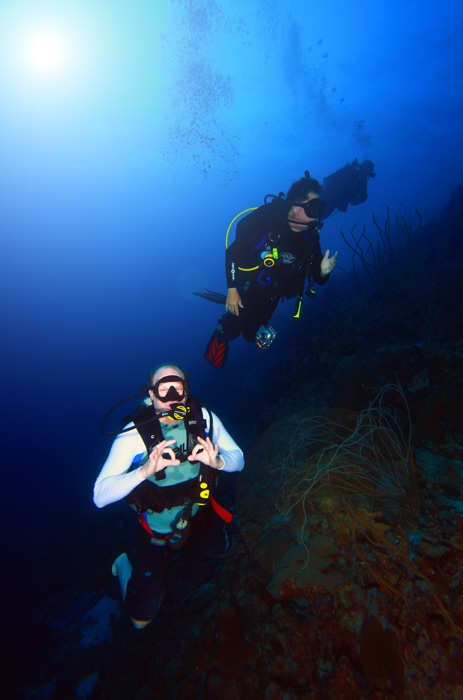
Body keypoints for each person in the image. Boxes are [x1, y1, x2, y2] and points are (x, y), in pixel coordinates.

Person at [93, 363, 244, 629]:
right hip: (155, 529)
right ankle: (121, 562)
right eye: (164, 389)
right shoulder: (133, 433)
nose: (172, 398)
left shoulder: (204, 418)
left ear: (187, 392)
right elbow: (100, 496)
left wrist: (218, 461)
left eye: (178, 388)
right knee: (140, 619)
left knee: (222, 550)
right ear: (151, 395)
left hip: (196, 513)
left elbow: (239, 459)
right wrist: (143, 471)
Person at [204, 175, 338, 368]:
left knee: (251, 336)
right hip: (249, 288)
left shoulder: (310, 238)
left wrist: (324, 271)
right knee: (232, 329)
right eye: (313, 208)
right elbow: (232, 253)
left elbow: (319, 279)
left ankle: (236, 320)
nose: (316, 216)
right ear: (294, 206)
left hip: (274, 294)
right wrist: (232, 290)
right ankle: (222, 326)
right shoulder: (265, 221)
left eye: (319, 209)